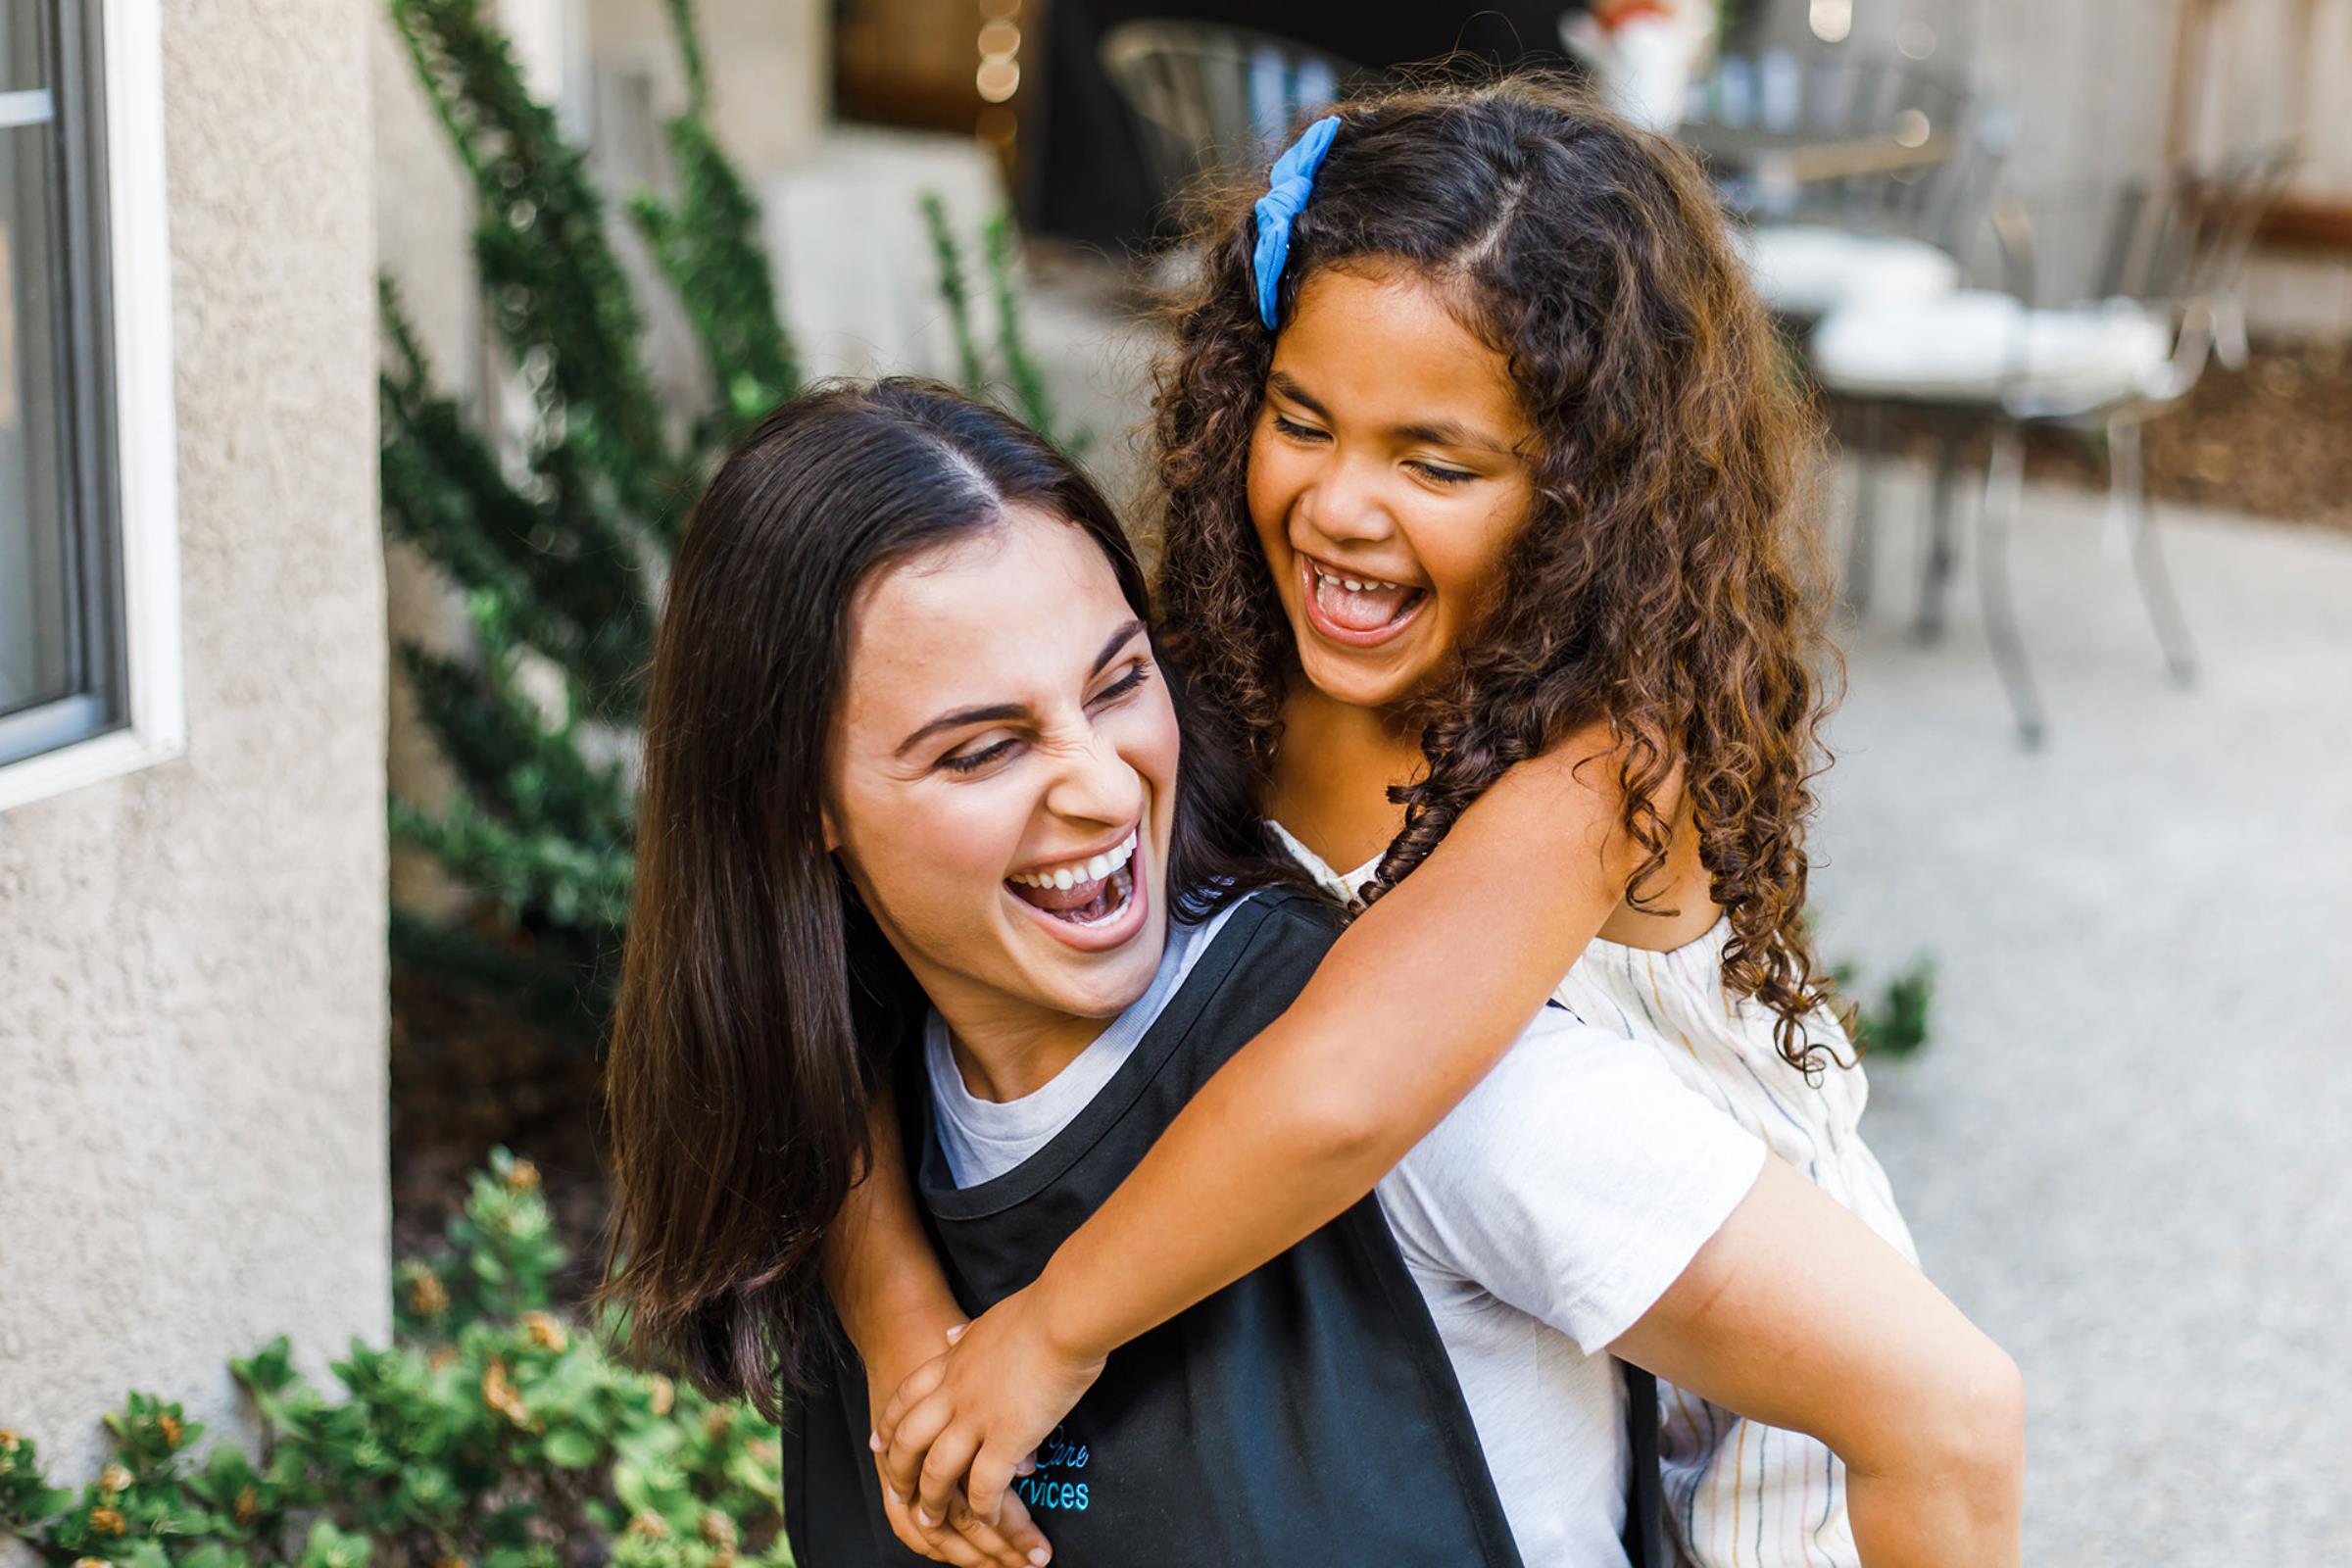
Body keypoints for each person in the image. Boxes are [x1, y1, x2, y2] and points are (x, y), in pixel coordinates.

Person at [850, 79, 2023, 1568]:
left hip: (1748, 1395)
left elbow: (1347, 1085)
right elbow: (839, 998)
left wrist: (1049, 1336)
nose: (1342, 505)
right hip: (1450, 1336)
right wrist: (906, 1324)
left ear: (1587, 496)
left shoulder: (1603, 759)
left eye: (1436, 462)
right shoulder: (1224, 666)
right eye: (1303, 420)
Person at [599, 376, 2020, 1568]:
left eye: (1117, 682)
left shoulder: (1448, 1088)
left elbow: (1944, 1416)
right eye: (982, 749)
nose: (1100, 785)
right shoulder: (853, 1125)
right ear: (798, 804)